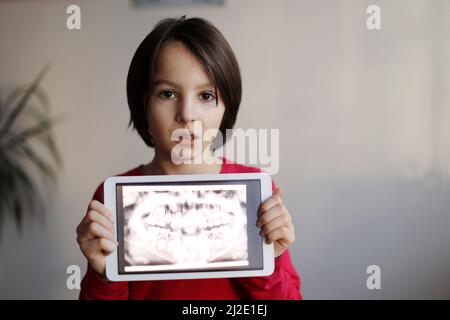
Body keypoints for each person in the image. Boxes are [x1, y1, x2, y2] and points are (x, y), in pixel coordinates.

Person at [76, 15, 302, 300]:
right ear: (142, 103)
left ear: (226, 107)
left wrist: (270, 260)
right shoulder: (113, 198)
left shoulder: (256, 190)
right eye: (168, 93)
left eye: (206, 95)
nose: (187, 114)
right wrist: (103, 274)